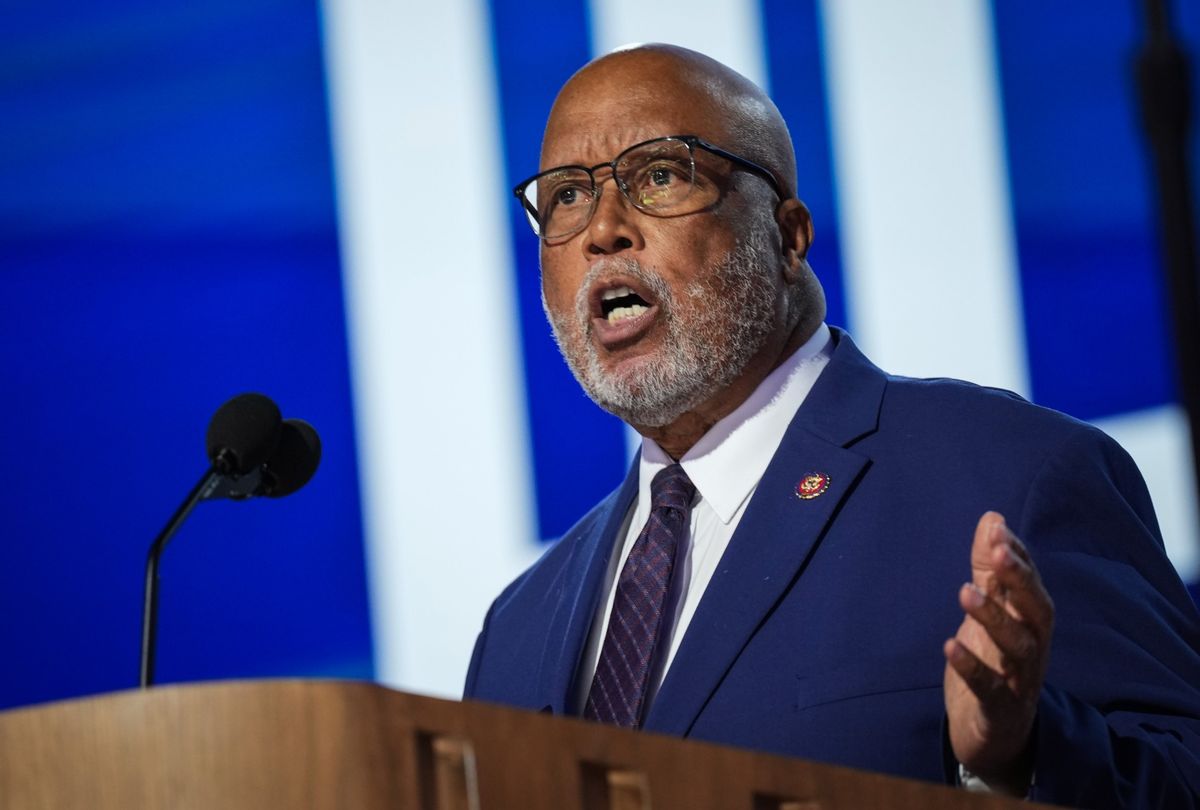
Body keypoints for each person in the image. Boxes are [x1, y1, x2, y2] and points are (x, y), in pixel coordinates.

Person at [464, 44, 1200, 806]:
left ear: (787, 237)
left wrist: (1022, 752)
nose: (603, 229)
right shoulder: (517, 630)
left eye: (658, 175)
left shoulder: (1011, 478)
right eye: (566, 197)